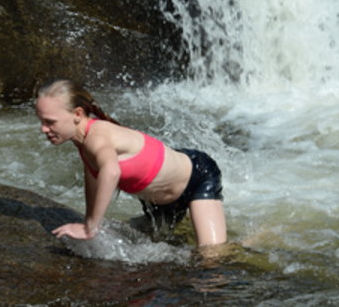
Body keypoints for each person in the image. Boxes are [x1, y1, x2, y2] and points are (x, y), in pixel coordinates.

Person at [35, 79, 226, 247]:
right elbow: (92, 179)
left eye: (50, 122)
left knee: (211, 258)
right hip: (159, 202)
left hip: (197, 178)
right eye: (41, 121)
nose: (43, 129)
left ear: (78, 114)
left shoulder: (96, 137)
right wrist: (89, 219)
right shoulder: (83, 142)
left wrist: (89, 228)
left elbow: (111, 172)